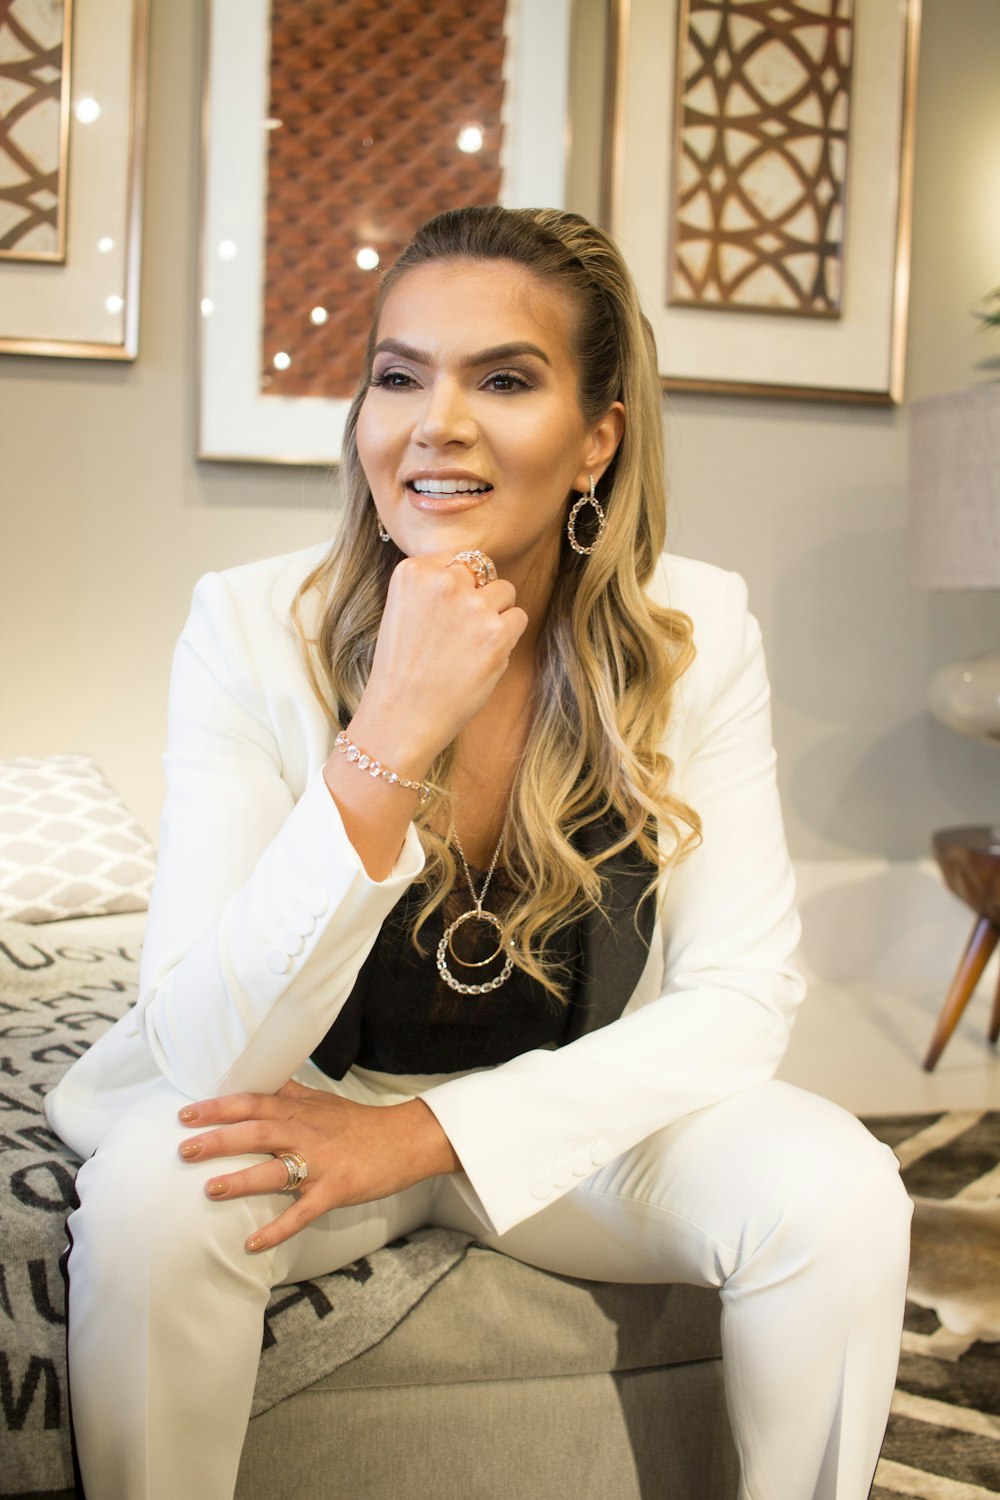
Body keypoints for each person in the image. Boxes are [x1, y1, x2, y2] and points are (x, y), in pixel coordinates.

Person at [47, 205, 911, 1500]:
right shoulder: (244, 627)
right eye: (400, 375)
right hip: (309, 1106)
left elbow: (740, 1001)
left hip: (571, 1124)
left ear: (595, 438)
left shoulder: (699, 629)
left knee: (843, 1190)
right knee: (145, 1206)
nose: (434, 422)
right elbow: (206, 1049)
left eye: (504, 378)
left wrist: (429, 1136)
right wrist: (390, 721)